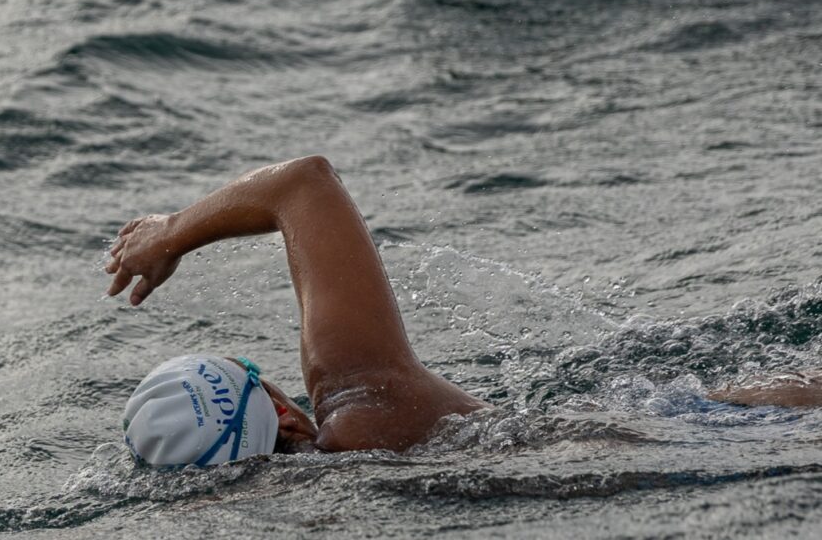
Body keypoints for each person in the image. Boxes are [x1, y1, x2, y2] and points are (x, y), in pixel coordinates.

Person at [106, 156, 821, 466]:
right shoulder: (361, 400)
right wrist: (170, 233)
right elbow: (301, 184)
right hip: (719, 437)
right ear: (282, 416)